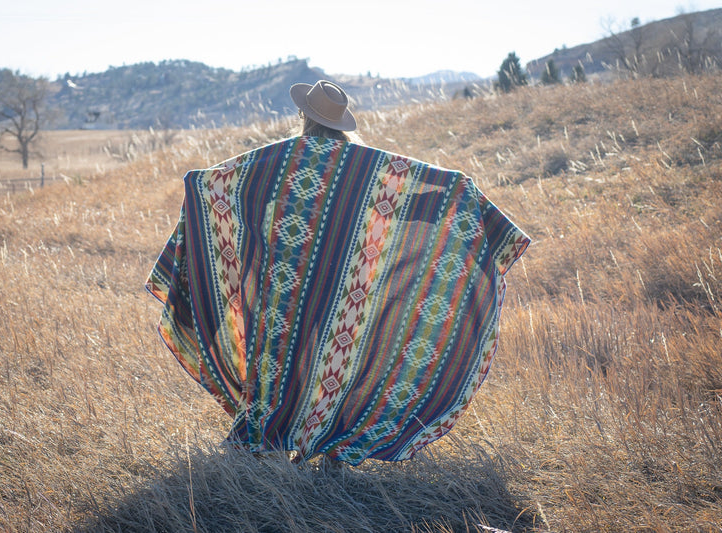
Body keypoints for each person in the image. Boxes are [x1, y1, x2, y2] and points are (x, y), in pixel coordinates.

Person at [146, 79, 529, 467]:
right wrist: (466, 197)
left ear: (302, 116)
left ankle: (268, 440)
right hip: (350, 286)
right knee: (342, 360)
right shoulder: (368, 166)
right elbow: (425, 192)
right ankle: (334, 452)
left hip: (286, 288)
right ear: (342, 125)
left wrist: (198, 190)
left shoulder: (279, 158)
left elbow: (217, 184)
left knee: (279, 363)